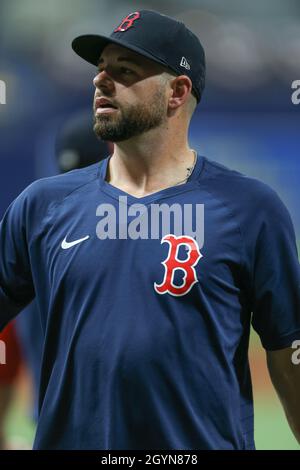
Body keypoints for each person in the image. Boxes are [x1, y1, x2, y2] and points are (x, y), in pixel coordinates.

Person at [0, 9, 299, 450]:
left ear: (177, 91)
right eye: (101, 68)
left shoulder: (249, 210)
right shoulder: (43, 205)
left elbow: (288, 353)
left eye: (125, 70)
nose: (101, 81)